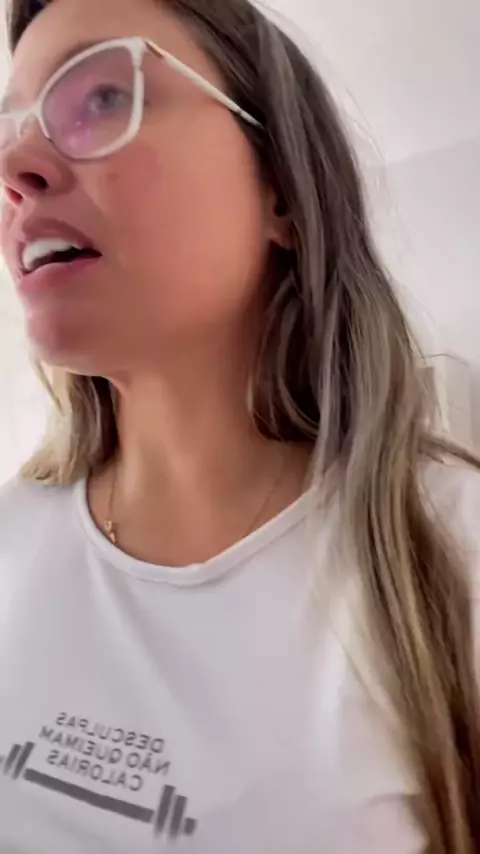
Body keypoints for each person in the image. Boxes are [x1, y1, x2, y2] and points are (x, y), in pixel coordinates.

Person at [0, 0, 479, 851]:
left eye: (103, 97)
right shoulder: (10, 539)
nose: (15, 165)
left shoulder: (454, 550)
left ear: (282, 190)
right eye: (10, 128)